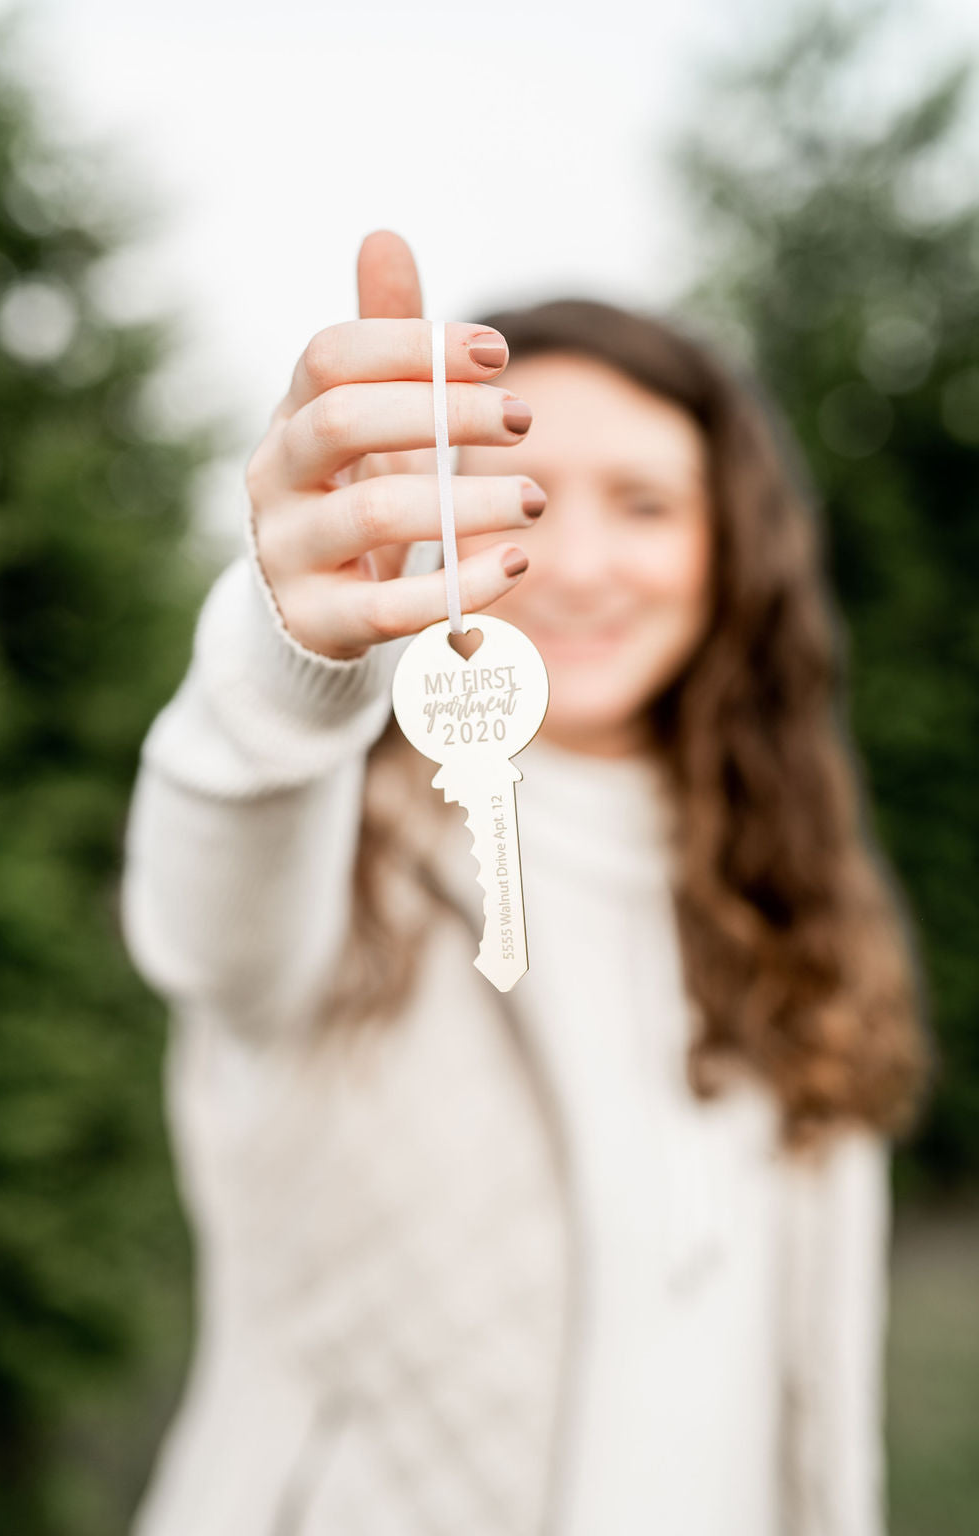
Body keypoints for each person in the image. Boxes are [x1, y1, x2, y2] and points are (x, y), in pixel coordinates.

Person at [118, 229, 932, 1536]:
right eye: (518, 503)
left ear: (734, 547)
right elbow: (209, 930)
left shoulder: (793, 879)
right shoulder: (341, 841)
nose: (586, 566)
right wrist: (290, 663)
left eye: (647, 505)